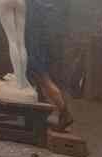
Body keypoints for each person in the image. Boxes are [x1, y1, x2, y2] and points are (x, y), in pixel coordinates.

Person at [26, 0, 73, 130]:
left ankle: (65, 113)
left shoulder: (33, 6)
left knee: (45, 82)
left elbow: (32, 35)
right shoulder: (40, 7)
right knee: (39, 83)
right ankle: (42, 113)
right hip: (39, 49)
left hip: (35, 51)